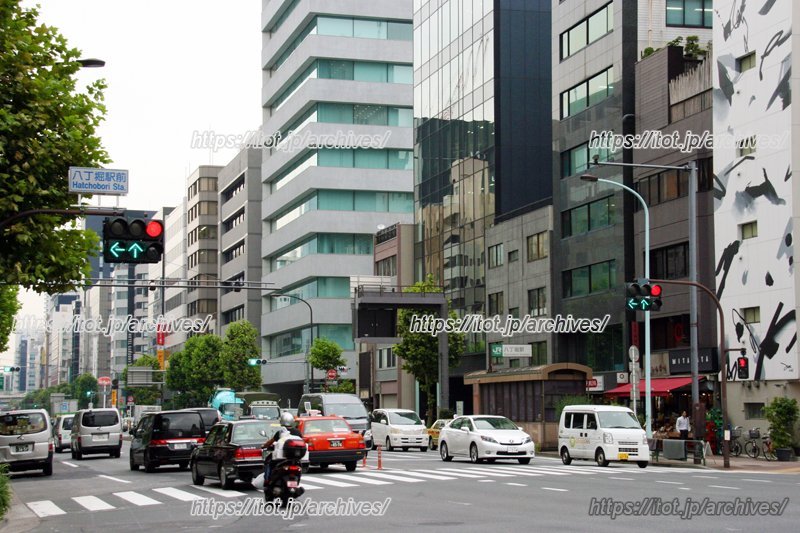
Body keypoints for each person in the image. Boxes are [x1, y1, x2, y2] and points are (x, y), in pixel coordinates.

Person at [261, 411, 302, 483]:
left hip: (282, 456)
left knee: (268, 461)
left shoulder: (281, 432)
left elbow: (270, 442)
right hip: (294, 457)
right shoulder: (297, 432)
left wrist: (264, 446)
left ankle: (267, 480)